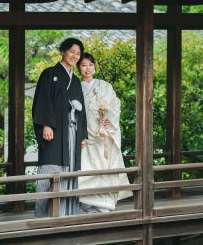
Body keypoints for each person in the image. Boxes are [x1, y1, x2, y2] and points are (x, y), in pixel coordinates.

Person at [31, 37, 88, 217]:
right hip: (54, 130)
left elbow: (82, 109)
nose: (75, 56)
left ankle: (66, 212)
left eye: (78, 53)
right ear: (62, 51)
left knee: (69, 169)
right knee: (49, 169)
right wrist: (46, 124)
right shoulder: (49, 74)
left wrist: (83, 135)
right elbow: (42, 101)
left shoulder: (76, 81)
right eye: (72, 51)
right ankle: (42, 215)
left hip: (72, 132)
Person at [77, 52, 132, 213]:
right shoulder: (76, 86)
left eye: (91, 65)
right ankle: (87, 203)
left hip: (103, 135)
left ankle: (105, 204)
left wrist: (108, 119)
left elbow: (115, 107)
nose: (88, 69)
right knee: (87, 170)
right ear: (79, 67)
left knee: (104, 167)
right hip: (86, 136)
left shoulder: (105, 86)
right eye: (84, 65)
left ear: (95, 67)